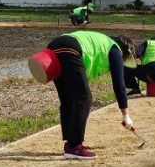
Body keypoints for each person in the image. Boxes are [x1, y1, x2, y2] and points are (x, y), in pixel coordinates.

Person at [44, 30, 137, 159]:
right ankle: (75, 146)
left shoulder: (102, 42)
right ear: (126, 52)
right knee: (84, 99)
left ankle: (70, 143)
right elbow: (119, 85)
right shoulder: (115, 50)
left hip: (54, 45)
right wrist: (126, 116)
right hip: (71, 48)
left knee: (68, 99)